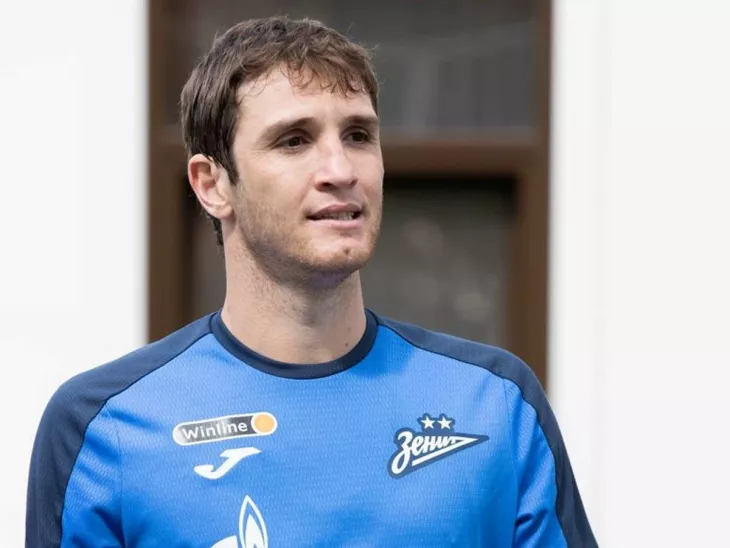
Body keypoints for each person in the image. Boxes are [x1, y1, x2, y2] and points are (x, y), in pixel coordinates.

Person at [26, 16, 597, 548]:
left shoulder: (495, 404)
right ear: (212, 185)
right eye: (294, 140)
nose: (341, 170)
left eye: (358, 135)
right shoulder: (103, 428)